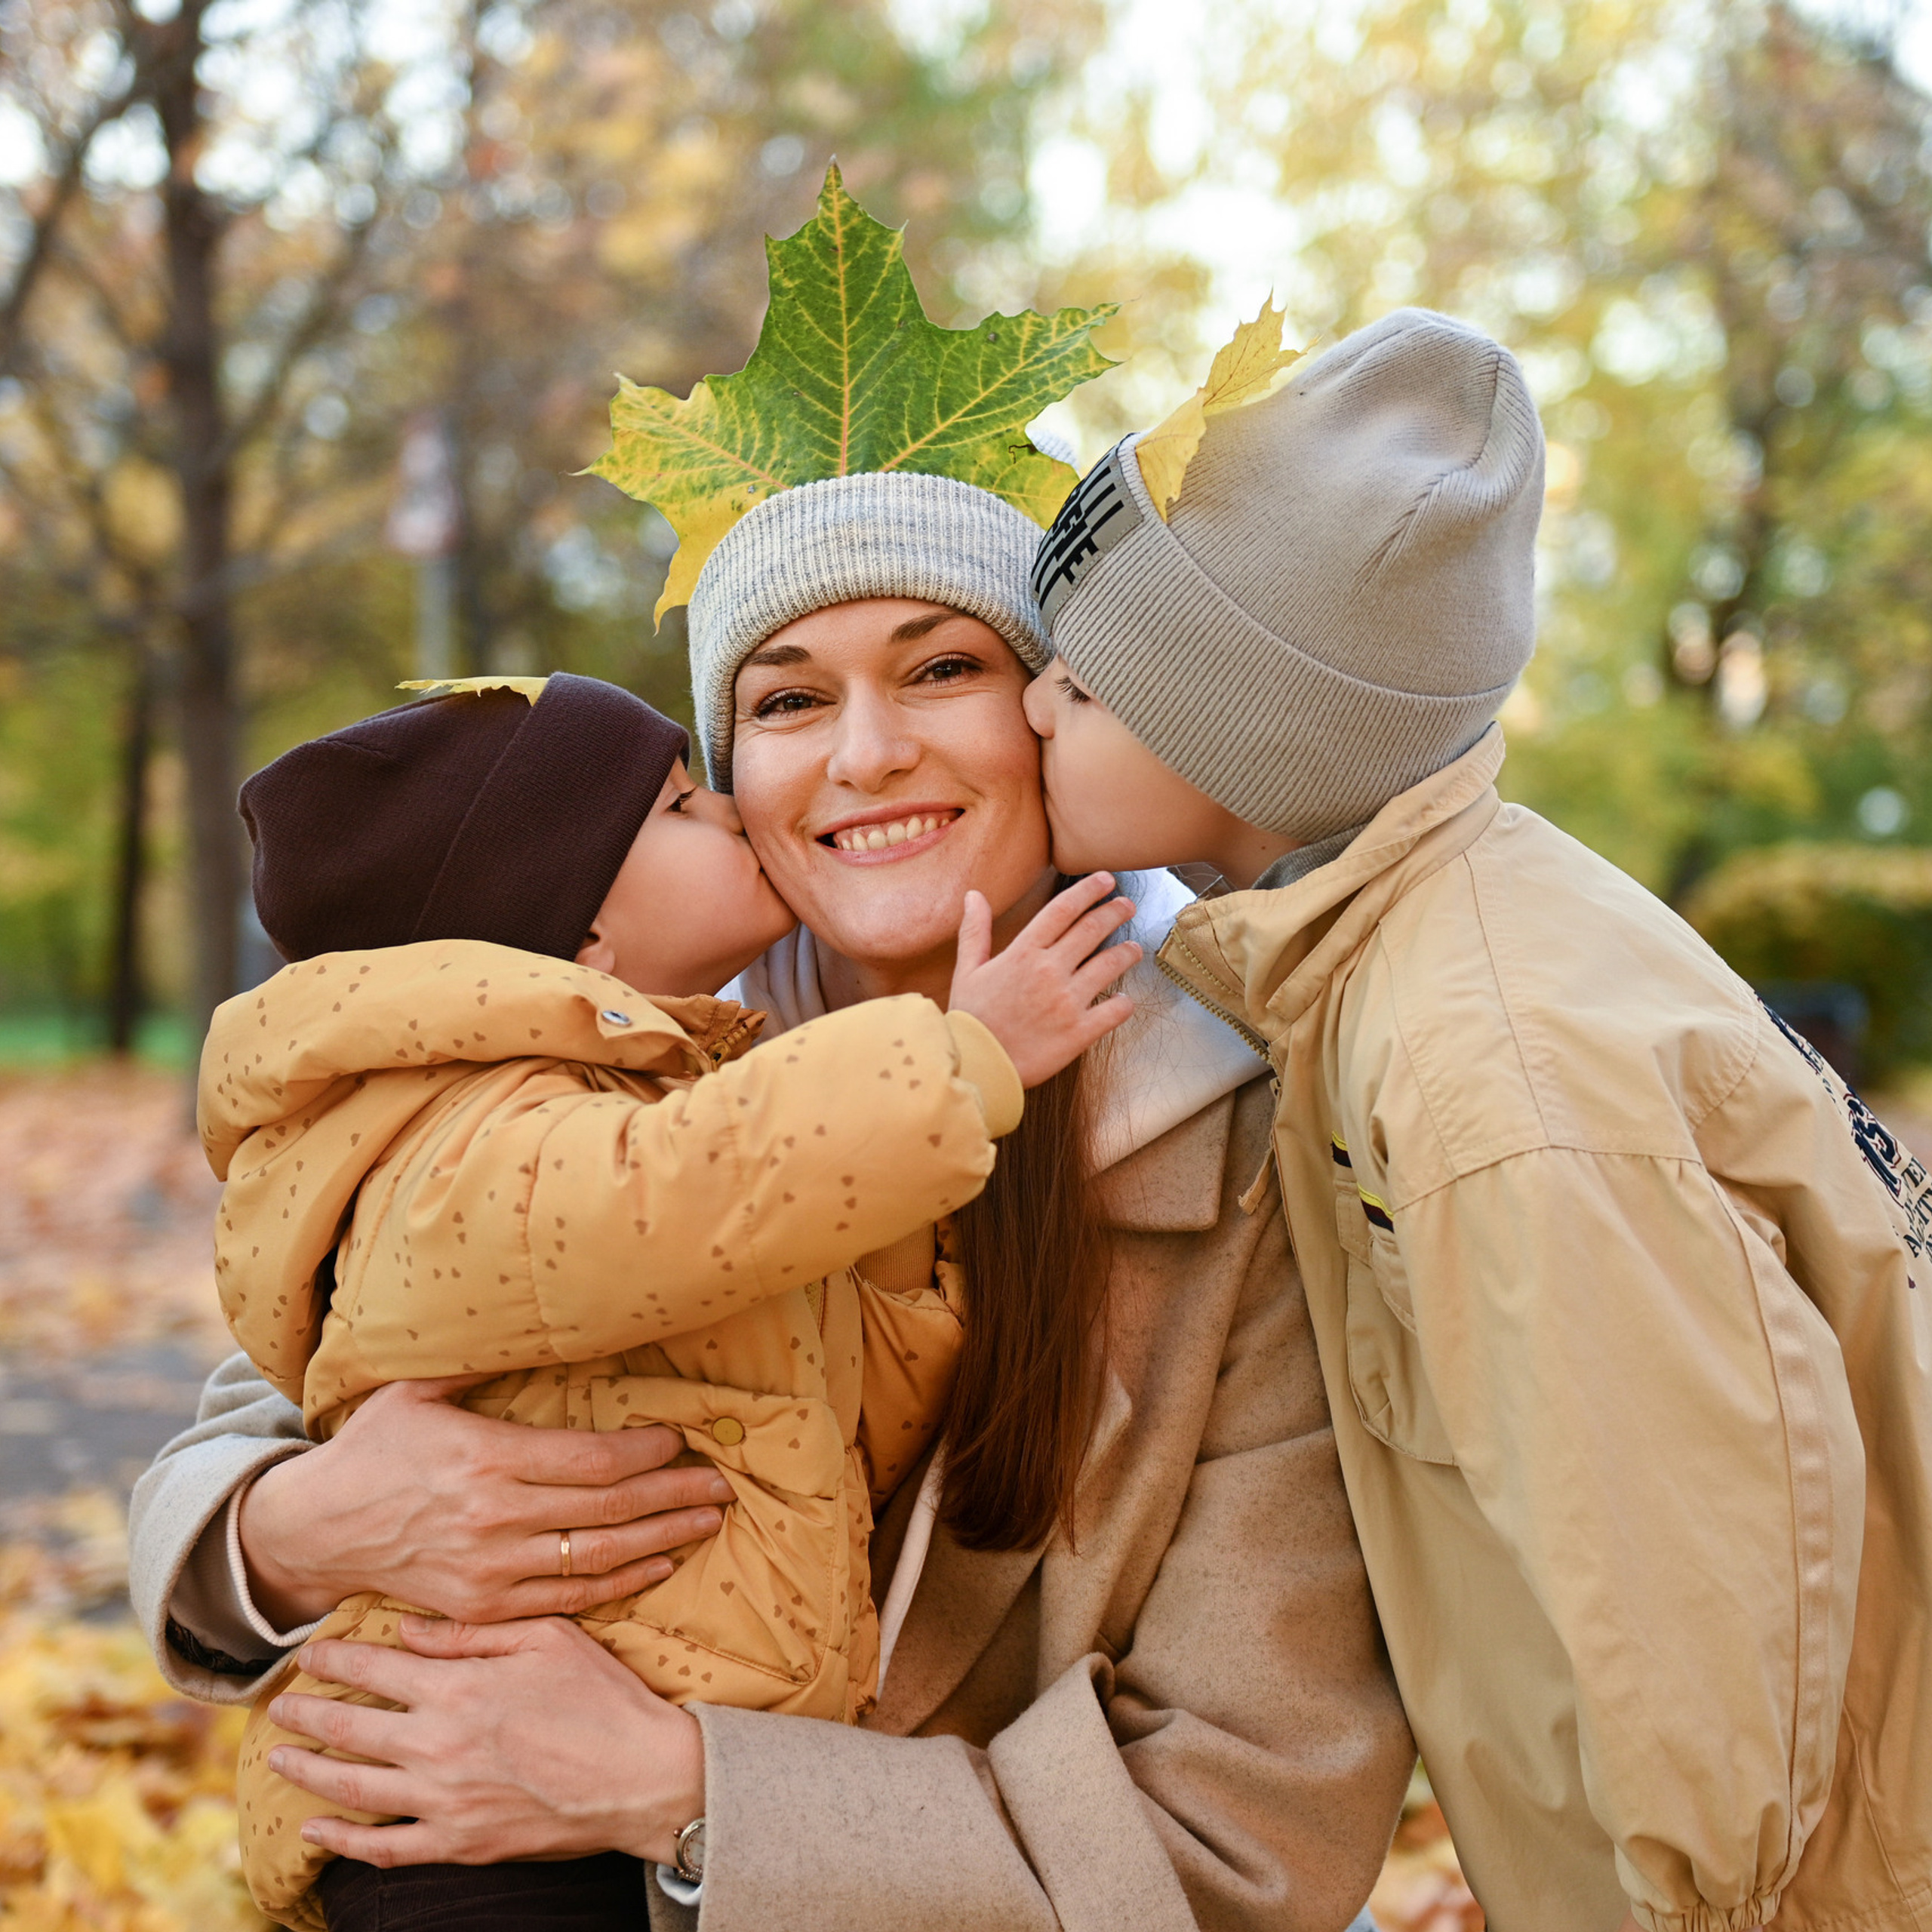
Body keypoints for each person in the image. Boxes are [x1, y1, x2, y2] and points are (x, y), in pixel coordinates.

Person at [131, 469, 1415, 1932]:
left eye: (942, 667)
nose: (866, 753)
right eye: (790, 701)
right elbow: (298, 1372)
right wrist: (295, 1530)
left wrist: (684, 1782)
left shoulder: (1256, 1139)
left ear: (1053, 716)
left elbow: (1240, 1836)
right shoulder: (623, 1062)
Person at [1021, 304, 1932, 1932]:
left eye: (1078, 687)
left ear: (1238, 730)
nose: (1026, 716)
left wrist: (1689, 1900)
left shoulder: (1479, 1066)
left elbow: (1695, 1614)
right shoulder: (1410, 956)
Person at [206, 669, 1140, 1929]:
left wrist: (909, 1264)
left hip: (626, 1786)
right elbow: (666, 1196)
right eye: (679, 805)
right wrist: (958, 1061)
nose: (729, 816)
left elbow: (849, 1400)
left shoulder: (675, 1108)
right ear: (580, 933)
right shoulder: (464, 1142)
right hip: (451, 1819)